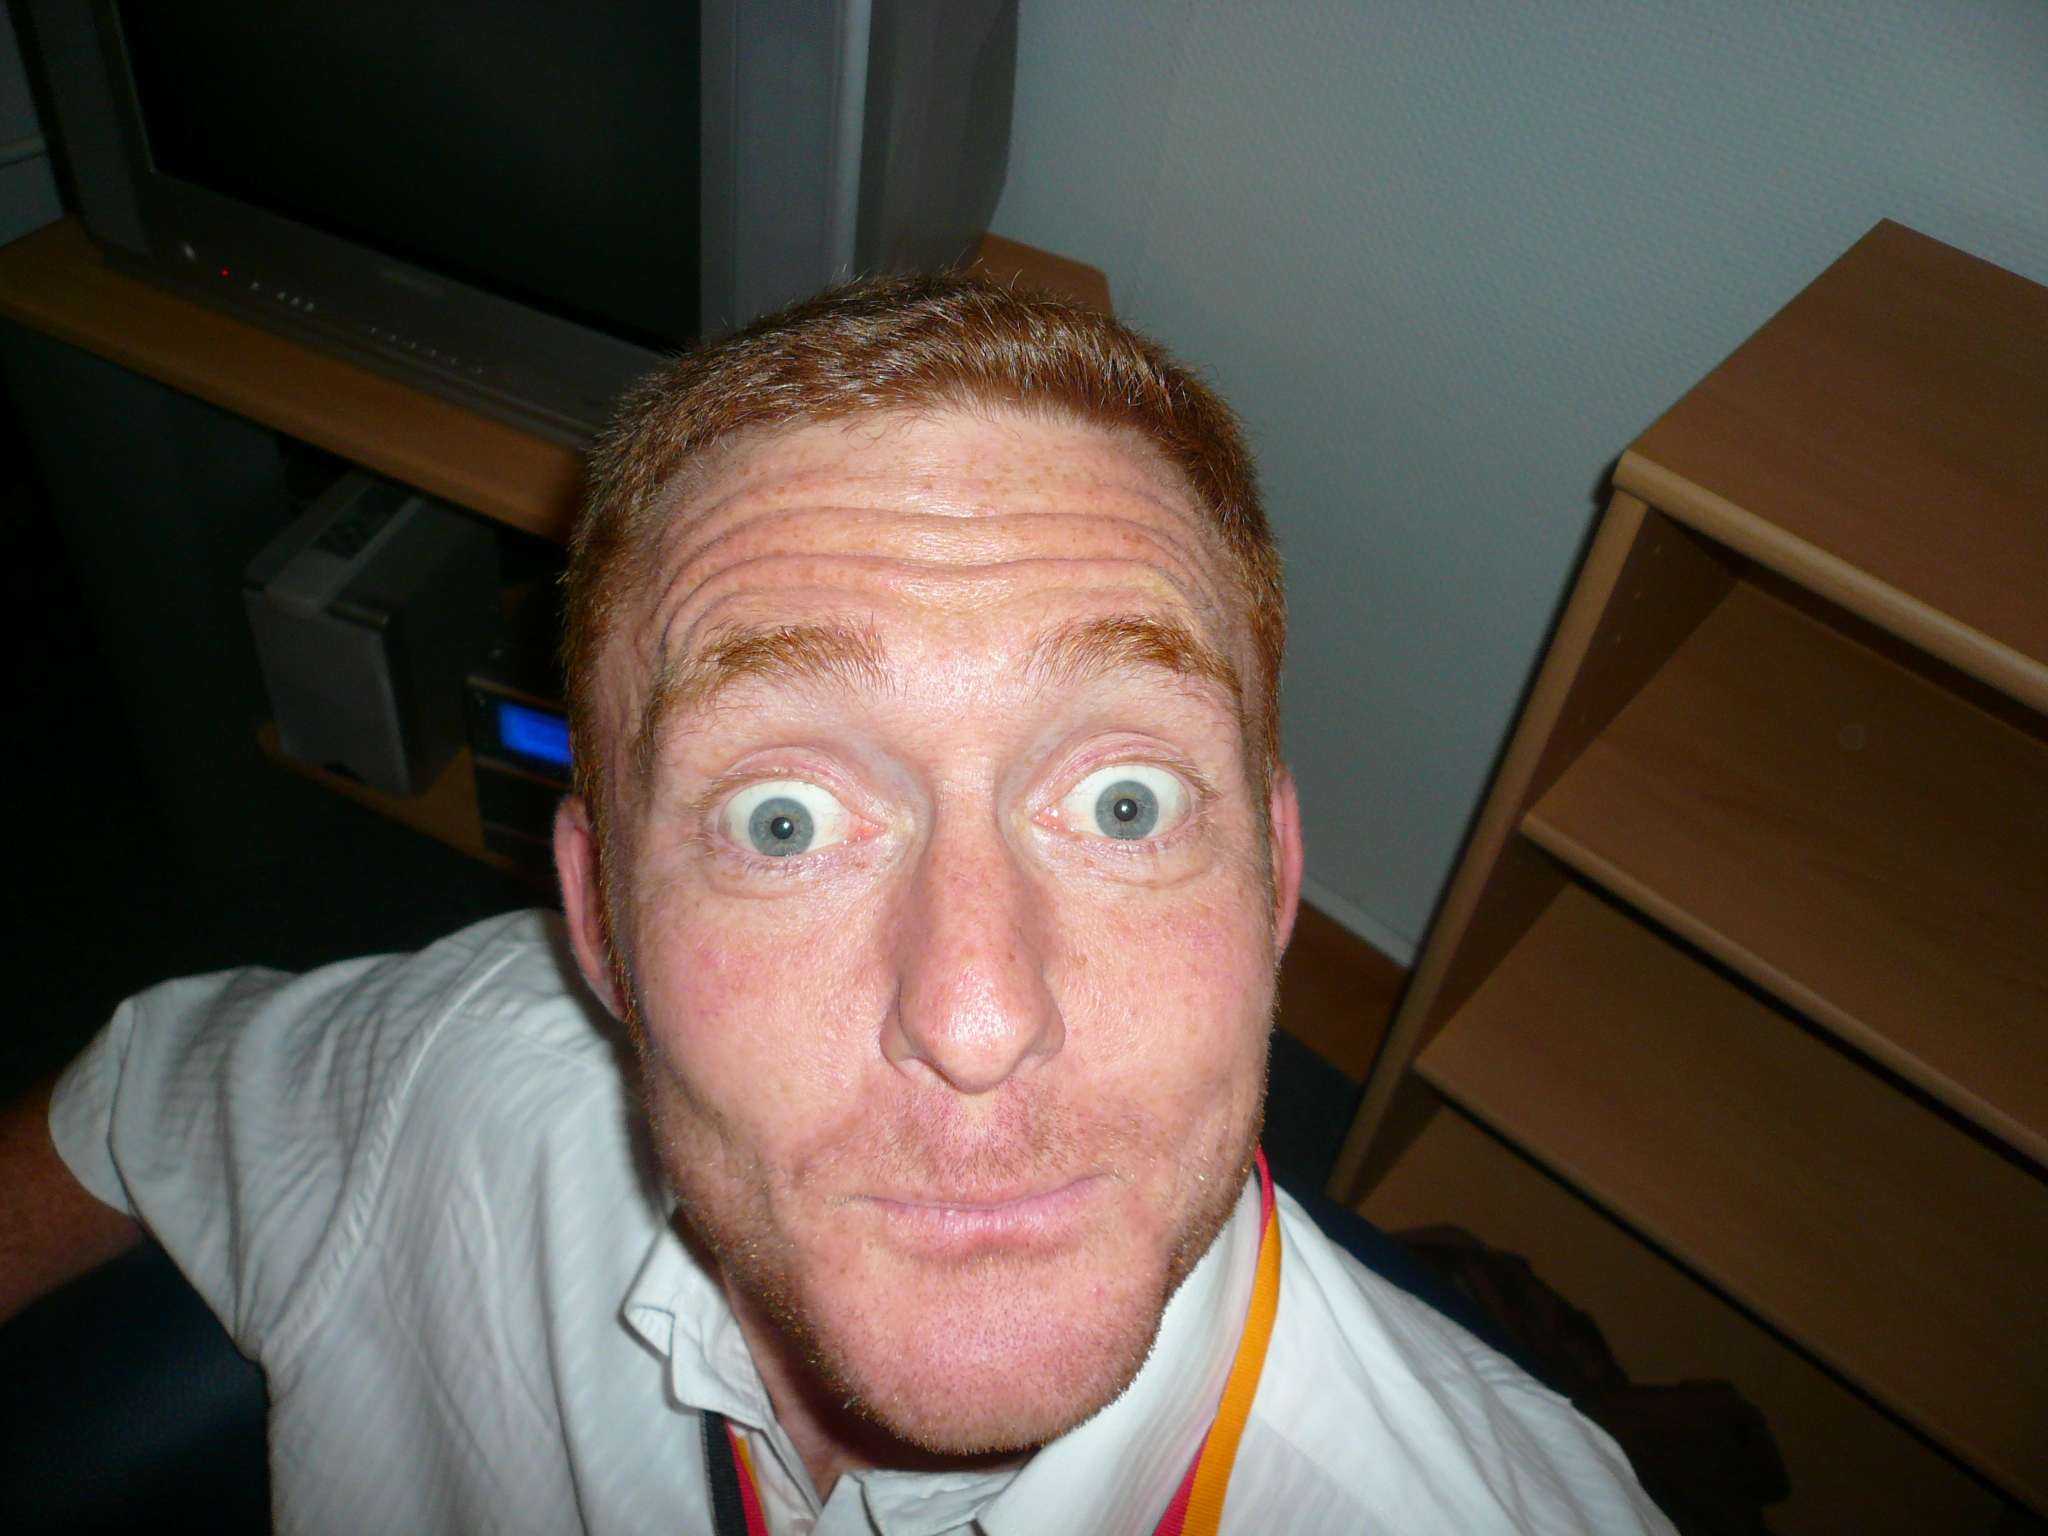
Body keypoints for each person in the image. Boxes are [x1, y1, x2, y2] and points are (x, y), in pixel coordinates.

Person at [0, 276, 1673, 1534]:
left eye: (1126, 803)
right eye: (783, 821)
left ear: (1278, 881)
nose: (976, 1016)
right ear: (596, 924)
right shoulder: (471, 1072)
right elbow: (128, 1105)